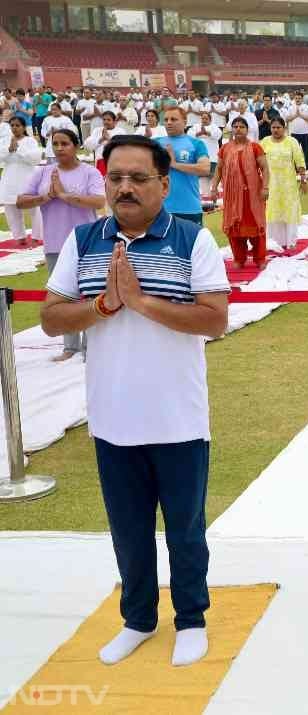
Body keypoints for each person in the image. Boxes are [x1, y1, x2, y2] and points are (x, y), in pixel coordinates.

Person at [40, 133, 230, 668]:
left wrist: (141, 302)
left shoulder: (193, 241)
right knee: (128, 530)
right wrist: (102, 305)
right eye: (115, 177)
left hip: (178, 419)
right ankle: (139, 619)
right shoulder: (84, 240)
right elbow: (52, 318)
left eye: (138, 178)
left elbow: (214, 319)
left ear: (164, 185)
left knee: (186, 531)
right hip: (112, 417)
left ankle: (191, 618)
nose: (125, 188)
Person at [17, 128, 105, 360]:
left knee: (90, 294)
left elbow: (98, 201)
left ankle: (91, 346)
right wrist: (45, 197)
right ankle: (70, 346)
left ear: (75, 146)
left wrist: (65, 196)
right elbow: (21, 201)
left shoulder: (89, 172)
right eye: (55, 143)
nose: (59, 148)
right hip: (55, 243)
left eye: (64, 143)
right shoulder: (43, 173)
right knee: (62, 297)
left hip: (86, 242)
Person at [210, 117, 269, 270]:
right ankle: (239, 258)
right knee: (234, 227)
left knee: (255, 226)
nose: (238, 129)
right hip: (232, 196)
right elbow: (219, 169)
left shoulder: (255, 147)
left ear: (247, 129)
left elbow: (265, 169)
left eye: (241, 126)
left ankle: (260, 258)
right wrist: (214, 188)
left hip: (252, 196)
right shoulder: (225, 148)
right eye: (235, 126)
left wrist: (265, 188)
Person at [260, 116, 308, 252]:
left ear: (284, 128)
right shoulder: (265, 142)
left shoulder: (292, 142)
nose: (275, 130)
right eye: (273, 127)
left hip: (288, 185)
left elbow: (300, 161)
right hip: (271, 184)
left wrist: (303, 180)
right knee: (272, 211)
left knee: (289, 212)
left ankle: (290, 242)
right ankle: (273, 242)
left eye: (278, 127)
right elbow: (257, 160)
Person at [156, 106, 210, 225]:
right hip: (160, 209)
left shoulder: (196, 143)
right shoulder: (155, 143)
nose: (169, 123)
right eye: (166, 120)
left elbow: (205, 169)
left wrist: (174, 164)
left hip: (189, 208)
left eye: (173, 119)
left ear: (185, 122)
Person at [1, 116, 44, 246]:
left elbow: (35, 158)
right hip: (9, 177)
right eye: (12, 125)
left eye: (17, 125)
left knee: (34, 208)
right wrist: (9, 149)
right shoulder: (5, 141)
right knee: (11, 207)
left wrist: (18, 149)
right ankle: (19, 236)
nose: (14, 128)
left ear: (24, 127)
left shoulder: (30, 141)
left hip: (28, 177)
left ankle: (37, 236)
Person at [187, 112, 222, 198]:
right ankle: (205, 197)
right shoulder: (196, 127)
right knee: (202, 180)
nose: (204, 120)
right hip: (200, 158)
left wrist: (207, 133)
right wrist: (198, 133)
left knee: (213, 178)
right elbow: (189, 135)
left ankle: (214, 197)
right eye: (203, 118)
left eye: (206, 118)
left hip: (212, 157)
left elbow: (218, 135)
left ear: (210, 119)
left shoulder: (214, 127)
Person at [285, 93, 308, 172]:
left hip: (305, 133)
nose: (298, 100)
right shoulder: (291, 107)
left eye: (299, 98)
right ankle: (295, 168)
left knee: (306, 151)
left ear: (302, 99)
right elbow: (287, 119)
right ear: (294, 99)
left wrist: (301, 115)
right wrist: (295, 115)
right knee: (294, 151)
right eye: (296, 98)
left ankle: (307, 167)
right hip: (294, 133)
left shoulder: (307, 107)